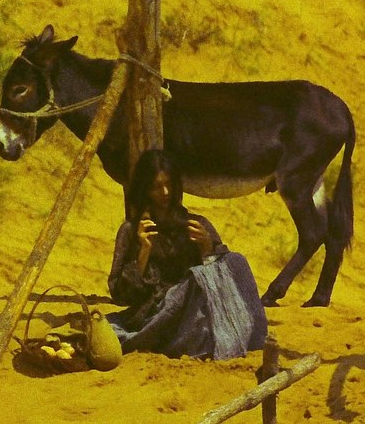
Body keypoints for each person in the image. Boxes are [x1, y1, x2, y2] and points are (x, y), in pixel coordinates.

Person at [106, 149, 267, 360]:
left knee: (234, 261)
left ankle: (254, 334)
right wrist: (143, 252)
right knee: (193, 282)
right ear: (144, 189)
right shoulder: (131, 231)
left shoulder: (196, 224)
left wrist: (207, 249)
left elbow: (220, 283)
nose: (165, 192)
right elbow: (119, 295)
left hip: (196, 313)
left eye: (169, 184)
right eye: (156, 187)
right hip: (157, 315)